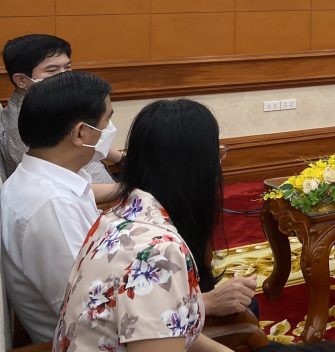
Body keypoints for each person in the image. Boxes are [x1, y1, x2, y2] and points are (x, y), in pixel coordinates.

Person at [53, 99, 241, 352]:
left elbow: (165, 329)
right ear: (196, 168)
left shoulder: (116, 215)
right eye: (215, 155)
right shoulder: (159, 252)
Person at [0, 71, 113, 343]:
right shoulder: (51, 205)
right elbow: (90, 310)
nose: (110, 129)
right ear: (81, 132)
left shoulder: (52, 178)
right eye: (107, 120)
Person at [1, 34, 120, 182]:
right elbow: (49, 183)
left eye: (67, 67)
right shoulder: (23, 124)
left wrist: (122, 159)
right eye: (52, 70)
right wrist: (123, 190)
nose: (64, 76)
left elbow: (93, 138)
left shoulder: (57, 102)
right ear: (21, 80)